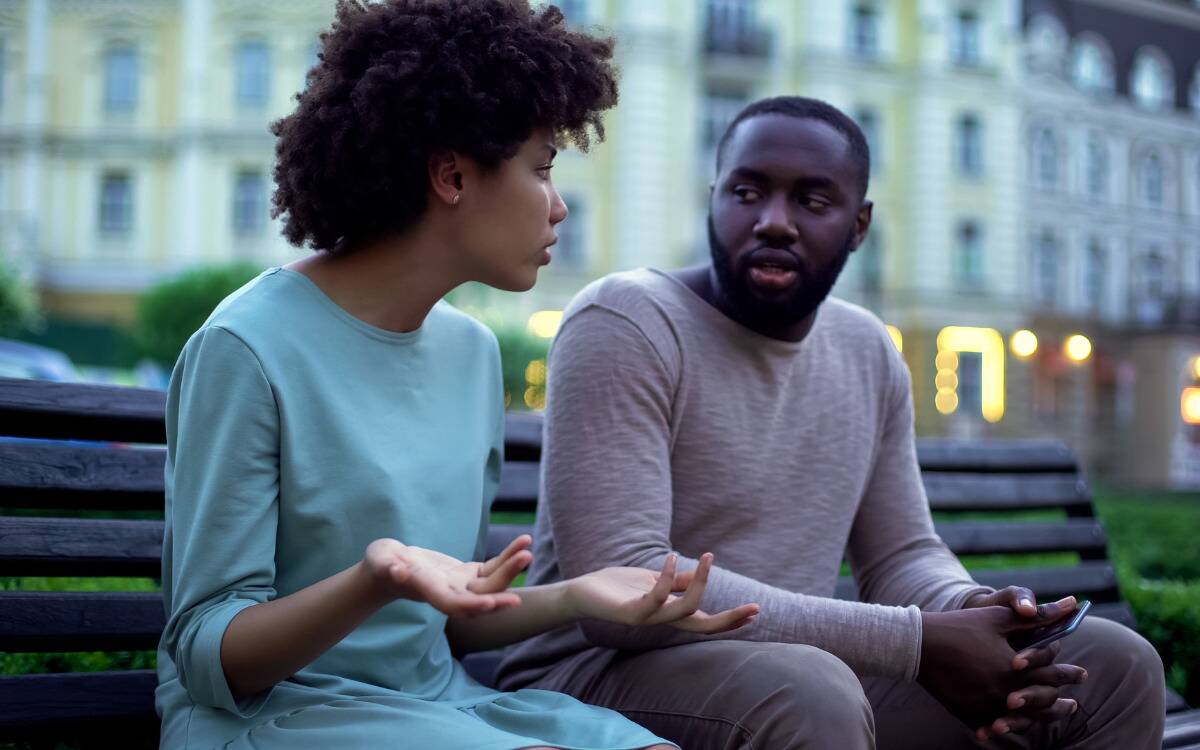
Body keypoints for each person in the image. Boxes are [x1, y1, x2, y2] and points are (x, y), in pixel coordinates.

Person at [154, 2, 758, 748]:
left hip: (436, 704)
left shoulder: (472, 357)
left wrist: (579, 596)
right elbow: (213, 654)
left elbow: (446, 619)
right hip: (274, 718)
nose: (559, 205)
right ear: (450, 175)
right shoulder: (244, 347)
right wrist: (375, 576)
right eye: (540, 169)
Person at [496, 96, 1166, 750]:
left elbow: (902, 555)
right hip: (590, 680)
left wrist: (969, 610)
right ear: (714, 197)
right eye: (747, 192)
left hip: (796, 674)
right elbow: (628, 588)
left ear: (859, 224)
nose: (774, 222)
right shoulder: (626, 321)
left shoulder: (868, 350)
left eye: (812, 201)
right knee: (809, 689)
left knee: (1114, 665)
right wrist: (917, 643)